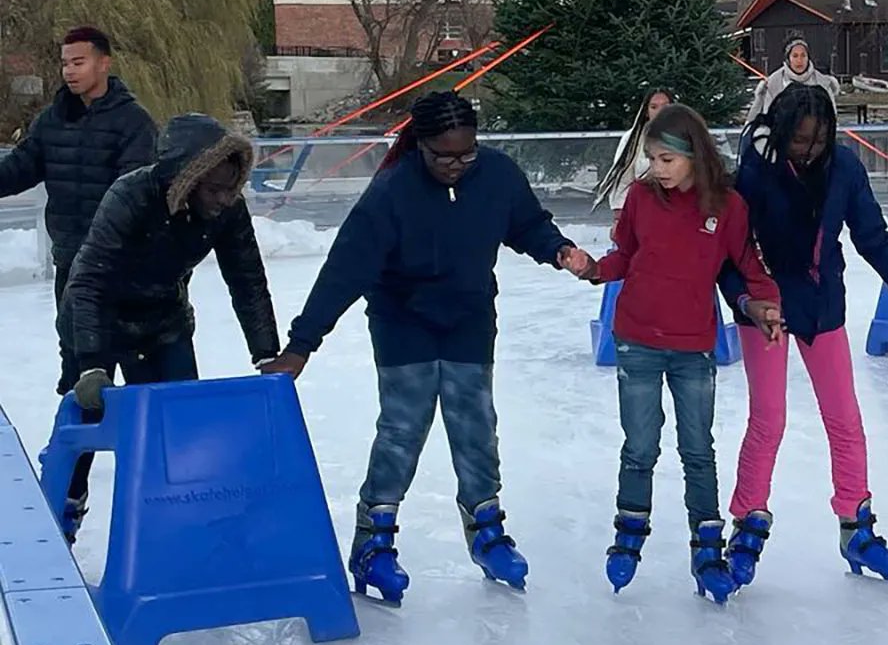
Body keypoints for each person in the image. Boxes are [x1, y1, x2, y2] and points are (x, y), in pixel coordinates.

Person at [261, 92, 580, 603]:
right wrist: (302, 345)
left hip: (470, 318)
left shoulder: (496, 174)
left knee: (476, 426)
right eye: (443, 155)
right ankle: (374, 543)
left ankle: (487, 533)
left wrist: (558, 249)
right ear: (420, 145)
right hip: (402, 320)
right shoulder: (392, 191)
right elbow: (344, 270)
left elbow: (526, 224)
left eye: (466, 154)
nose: (456, 165)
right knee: (402, 429)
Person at [719, 84, 888, 588]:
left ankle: (855, 525)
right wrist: (749, 302)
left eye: (818, 141)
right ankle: (748, 522)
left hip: (821, 305)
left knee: (844, 418)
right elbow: (731, 252)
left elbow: (872, 236)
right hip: (766, 305)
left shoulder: (844, 167)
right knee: (769, 419)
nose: (810, 150)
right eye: (800, 141)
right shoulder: (755, 172)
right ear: (781, 131)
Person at [563, 103, 782, 604]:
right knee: (640, 447)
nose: (656, 171)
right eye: (652, 160)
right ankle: (628, 534)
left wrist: (765, 305)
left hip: (692, 346)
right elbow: (626, 255)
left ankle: (706, 547)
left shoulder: (727, 206)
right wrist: (594, 268)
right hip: (637, 339)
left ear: (692, 156)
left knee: (697, 450)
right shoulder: (641, 198)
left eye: (666, 160)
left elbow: (748, 264)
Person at [57, 115, 280, 543]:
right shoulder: (131, 195)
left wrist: (266, 352)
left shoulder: (226, 208)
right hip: (98, 318)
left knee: (180, 425)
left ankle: (177, 522)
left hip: (163, 320)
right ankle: (68, 502)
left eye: (230, 187)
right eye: (213, 189)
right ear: (185, 180)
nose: (222, 199)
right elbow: (88, 281)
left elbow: (247, 277)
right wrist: (89, 363)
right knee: (89, 415)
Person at [0, 27, 157, 383]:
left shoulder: (133, 123)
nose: (69, 71)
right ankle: (78, 438)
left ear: (104, 64)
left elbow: (137, 194)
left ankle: (138, 437)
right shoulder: (52, 120)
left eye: (79, 62)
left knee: (138, 373)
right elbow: (19, 168)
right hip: (71, 264)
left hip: (124, 269)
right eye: (65, 63)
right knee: (77, 368)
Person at [593, 87, 676, 237]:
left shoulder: (688, 137)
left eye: (666, 106)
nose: (660, 111)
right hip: (642, 215)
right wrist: (619, 217)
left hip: (678, 213)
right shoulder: (632, 139)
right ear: (646, 111)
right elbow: (622, 179)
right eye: (654, 107)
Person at [745, 36, 840, 122]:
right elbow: (768, 116)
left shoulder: (822, 82)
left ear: (808, 58)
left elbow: (831, 116)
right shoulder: (774, 82)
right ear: (788, 58)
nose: (799, 60)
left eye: (803, 55)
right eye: (795, 56)